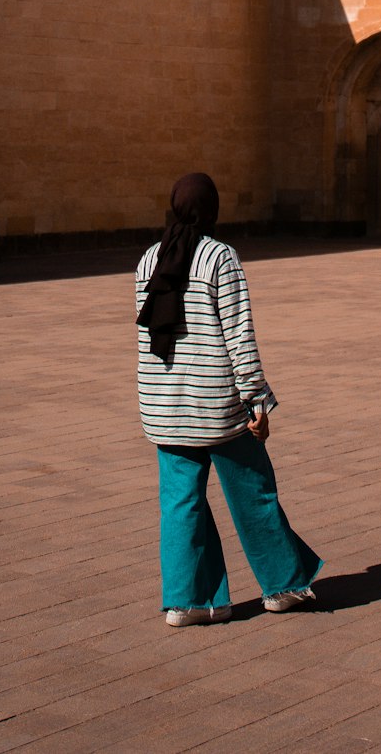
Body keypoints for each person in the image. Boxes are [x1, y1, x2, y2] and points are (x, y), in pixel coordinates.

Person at [136, 171, 323, 626]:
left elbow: (146, 336)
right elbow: (239, 336)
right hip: (217, 405)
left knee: (180, 503)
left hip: (164, 408)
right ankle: (282, 586)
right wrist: (256, 401)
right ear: (212, 210)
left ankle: (190, 602)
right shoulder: (220, 258)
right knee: (253, 492)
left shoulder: (148, 259)